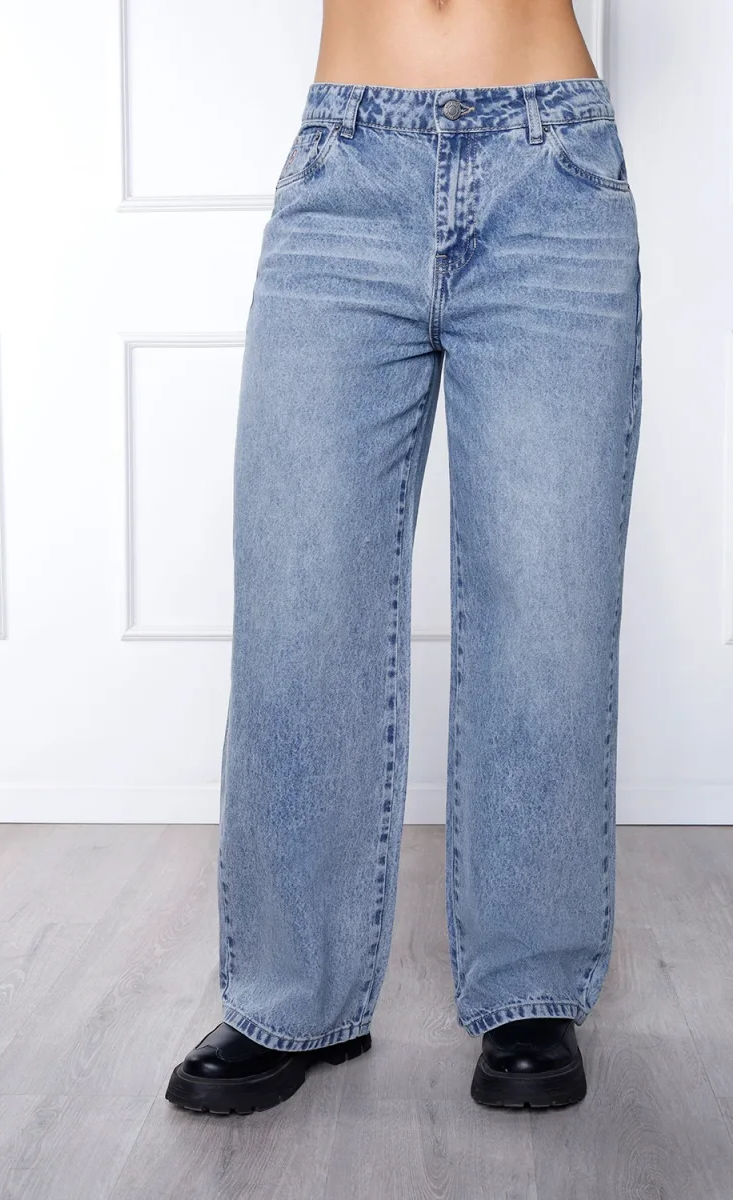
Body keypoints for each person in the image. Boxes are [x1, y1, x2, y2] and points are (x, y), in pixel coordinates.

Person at [165, 0, 642, 1114]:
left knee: (548, 609)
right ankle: (293, 995)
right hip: (346, 168)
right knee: (301, 604)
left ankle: (529, 989)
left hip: (554, 173)